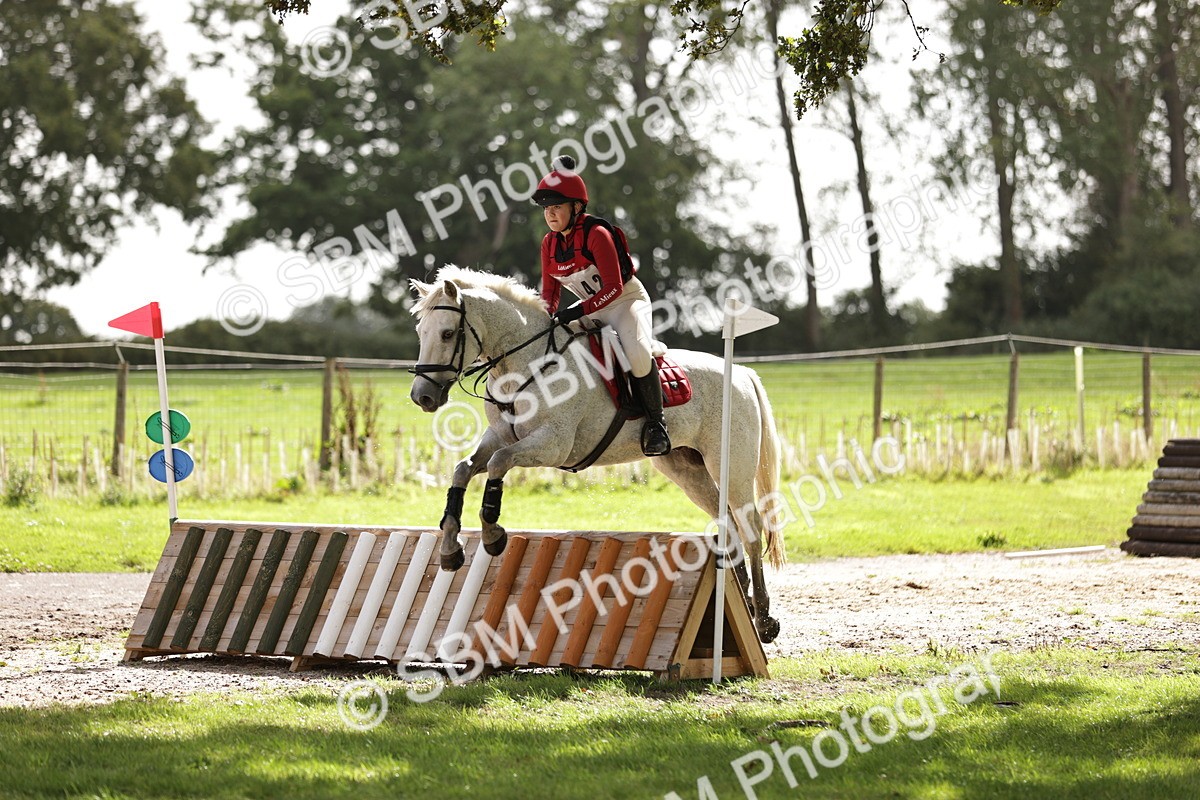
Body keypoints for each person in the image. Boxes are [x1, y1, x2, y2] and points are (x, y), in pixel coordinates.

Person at [531, 155, 671, 457]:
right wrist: (546, 316)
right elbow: (550, 293)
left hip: (625, 301)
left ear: (576, 207)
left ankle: (656, 425)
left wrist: (576, 311)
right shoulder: (549, 244)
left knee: (635, 349)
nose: (550, 214)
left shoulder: (597, 234)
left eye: (557, 207)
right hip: (591, 307)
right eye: (546, 209)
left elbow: (613, 288)